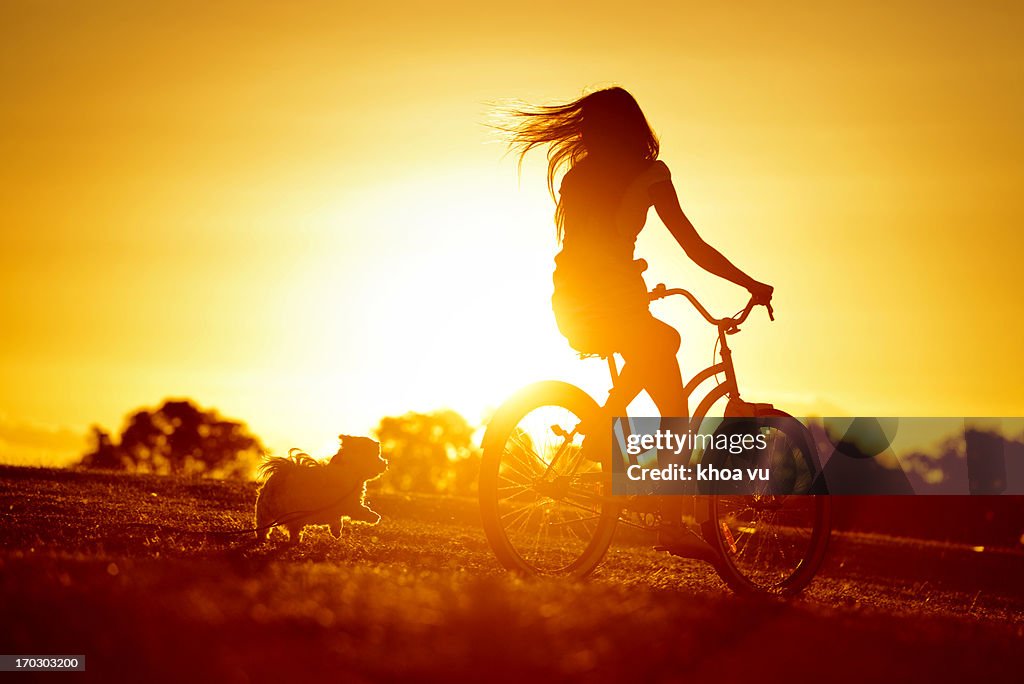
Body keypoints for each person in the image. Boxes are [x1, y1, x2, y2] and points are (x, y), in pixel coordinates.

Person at [502, 86, 774, 554]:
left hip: (570, 300)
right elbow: (692, 245)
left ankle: (607, 430)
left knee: (661, 363)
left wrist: (630, 278)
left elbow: (585, 249)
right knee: (667, 362)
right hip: (612, 298)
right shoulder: (651, 174)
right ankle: (660, 509)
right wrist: (750, 284)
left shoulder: (577, 177)